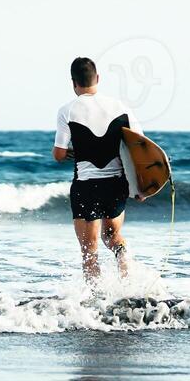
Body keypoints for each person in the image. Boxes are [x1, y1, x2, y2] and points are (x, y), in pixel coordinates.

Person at [53, 57, 138, 282]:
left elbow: (59, 154)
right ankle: (126, 272)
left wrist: (75, 151)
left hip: (86, 187)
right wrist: (142, 188)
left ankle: (95, 302)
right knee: (113, 237)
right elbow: (140, 147)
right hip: (116, 185)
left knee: (89, 251)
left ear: (73, 83)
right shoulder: (121, 107)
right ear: (97, 78)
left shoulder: (67, 111)